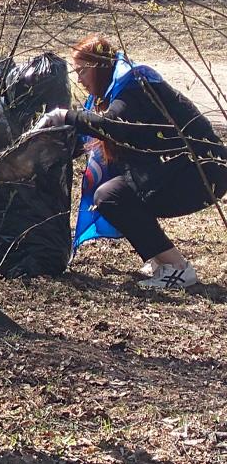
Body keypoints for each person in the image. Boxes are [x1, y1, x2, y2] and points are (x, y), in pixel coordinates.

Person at [36, 33, 227, 290]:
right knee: (117, 192)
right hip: (180, 169)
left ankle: (179, 269)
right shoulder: (120, 87)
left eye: (81, 71)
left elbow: (111, 126)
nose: (79, 79)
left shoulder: (134, 87)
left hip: (202, 173)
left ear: (98, 67)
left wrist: (63, 115)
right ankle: (160, 260)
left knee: (111, 196)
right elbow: (91, 139)